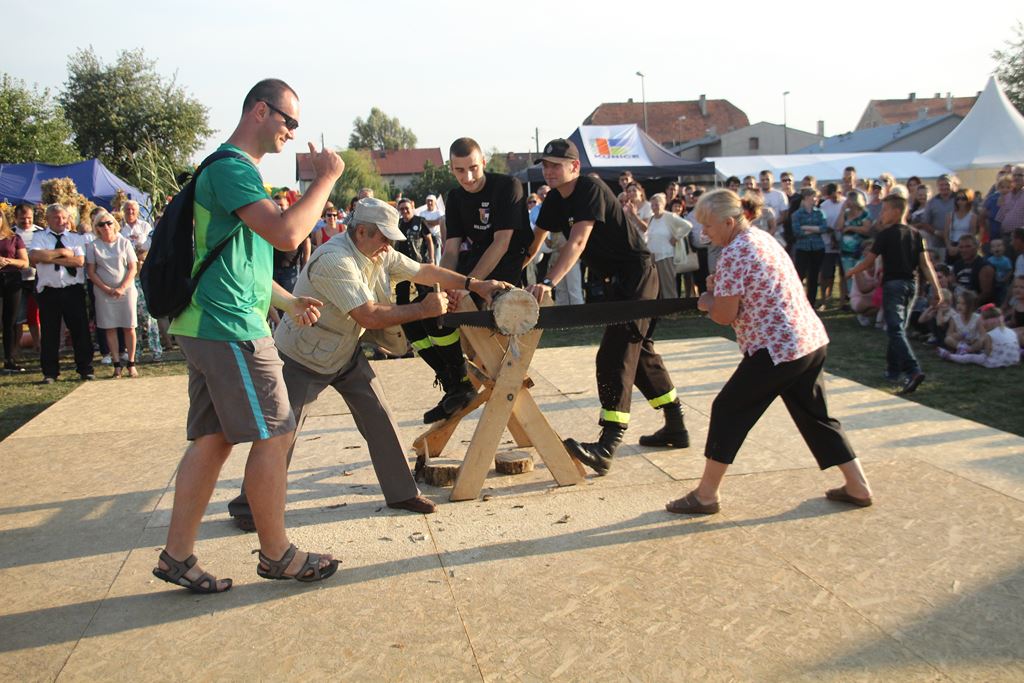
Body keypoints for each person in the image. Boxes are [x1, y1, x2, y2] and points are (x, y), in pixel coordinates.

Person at [152, 78, 344, 594]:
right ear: (261, 111)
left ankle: (177, 555)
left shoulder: (234, 172)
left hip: (206, 324)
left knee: (212, 440)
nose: (292, 131)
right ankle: (278, 553)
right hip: (230, 328)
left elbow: (243, 263)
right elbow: (287, 234)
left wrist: (286, 300)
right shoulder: (234, 169)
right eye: (289, 120)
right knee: (276, 431)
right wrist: (323, 180)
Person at [228, 199, 513, 529]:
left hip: (344, 351)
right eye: (383, 238)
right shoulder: (335, 259)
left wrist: (474, 284)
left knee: (380, 417)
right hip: (302, 356)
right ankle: (249, 507)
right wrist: (424, 309)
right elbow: (368, 315)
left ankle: (401, 492)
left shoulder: (376, 248)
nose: (389, 246)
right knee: (281, 435)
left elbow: (422, 271)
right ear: (360, 231)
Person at [663, 189, 873, 515]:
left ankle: (706, 495)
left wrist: (707, 302)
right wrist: (719, 291)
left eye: (709, 226)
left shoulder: (733, 252)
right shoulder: (762, 238)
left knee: (728, 408)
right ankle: (857, 486)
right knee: (815, 414)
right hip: (809, 340)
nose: (704, 233)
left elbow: (723, 315)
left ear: (730, 222)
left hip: (777, 349)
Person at [526, 138, 685, 476]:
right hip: (617, 282)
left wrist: (549, 282)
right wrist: (509, 275)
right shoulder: (554, 200)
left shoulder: (591, 189)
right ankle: (676, 425)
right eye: (546, 165)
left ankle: (608, 444)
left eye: (556, 164)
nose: (549, 170)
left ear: (575, 167)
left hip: (638, 276)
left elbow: (578, 241)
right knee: (640, 354)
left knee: (615, 353)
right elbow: (534, 244)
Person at [403, 137, 533, 424]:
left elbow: (501, 244)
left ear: (483, 161)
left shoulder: (507, 186)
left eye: (473, 168)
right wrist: (445, 287)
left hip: (503, 272)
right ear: (452, 169)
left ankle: (458, 384)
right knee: (418, 312)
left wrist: (467, 287)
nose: (468, 177)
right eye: (460, 170)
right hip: (472, 271)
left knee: (444, 311)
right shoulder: (455, 197)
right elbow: (451, 250)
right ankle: (455, 383)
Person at [846, 194, 945, 395]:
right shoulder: (916, 234)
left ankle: (913, 370)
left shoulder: (886, 235)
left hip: (893, 285)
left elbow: (869, 262)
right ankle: (893, 371)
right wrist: (937, 289)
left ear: (897, 211)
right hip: (911, 285)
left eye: (884, 210)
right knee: (898, 328)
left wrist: (852, 271)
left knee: (895, 330)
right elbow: (926, 265)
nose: (881, 214)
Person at [28, 203, 94, 383]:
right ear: (48, 219)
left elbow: (79, 261)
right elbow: (34, 257)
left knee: (80, 330)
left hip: (72, 290)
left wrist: (50, 257)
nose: (61, 221)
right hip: (49, 291)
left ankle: (85, 368)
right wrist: (63, 252)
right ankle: (50, 372)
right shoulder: (39, 237)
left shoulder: (75, 238)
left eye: (64, 217)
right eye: (56, 217)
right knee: (50, 333)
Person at [85, 210, 139, 378]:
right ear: (97, 228)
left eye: (109, 223)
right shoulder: (93, 246)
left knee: (129, 326)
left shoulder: (124, 243)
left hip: (126, 290)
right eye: (101, 224)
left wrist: (122, 287)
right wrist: (107, 289)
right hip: (103, 292)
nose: (106, 226)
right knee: (109, 327)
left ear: (114, 224)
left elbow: (133, 267)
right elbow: (91, 272)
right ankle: (116, 364)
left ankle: (131, 363)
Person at [938, 304, 1019, 368]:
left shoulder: (989, 335)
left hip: (996, 362)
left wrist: (977, 350)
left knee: (971, 357)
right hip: (1014, 359)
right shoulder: (1010, 331)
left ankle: (950, 356)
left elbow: (987, 352)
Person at [645, 192, 692, 298]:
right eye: (652, 205)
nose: (654, 207)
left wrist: (676, 237)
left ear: (663, 205)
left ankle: (672, 311)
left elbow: (688, 226)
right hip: (654, 257)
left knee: (668, 284)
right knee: (657, 286)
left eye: (657, 204)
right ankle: (662, 309)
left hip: (666, 255)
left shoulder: (669, 216)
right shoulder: (652, 219)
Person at [0, 211, 29, 373]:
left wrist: (8, 261)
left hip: (12, 279)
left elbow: (25, 262)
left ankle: (9, 359)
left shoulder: (14, 238)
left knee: (10, 321)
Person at [12, 204, 42, 359]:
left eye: (29, 218)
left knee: (35, 315)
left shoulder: (40, 232)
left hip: (37, 279)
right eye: (22, 219)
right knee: (18, 316)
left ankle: (38, 345)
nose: (26, 221)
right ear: (15, 218)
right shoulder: (11, 234)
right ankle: (16, 347)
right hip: (18, 280)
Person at [790, 188, 828, 307]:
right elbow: (797, 232)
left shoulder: (820, 213)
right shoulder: (797, 214)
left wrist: (806, 227)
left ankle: (811, 302)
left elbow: (823, 228)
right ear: (806, 198)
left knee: (814, 275)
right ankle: (797, 300)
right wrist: (814, 229)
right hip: (803, 248)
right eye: (814, 197)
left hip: (817, 248)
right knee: (800, 275)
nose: (816, 199)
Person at [394, 198, 435, 305]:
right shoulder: (397, 223)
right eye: (401, 209)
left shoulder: (420, 221)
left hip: (418, 263)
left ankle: (425, 318)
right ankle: (404, 319)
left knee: (423, 292)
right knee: (401, 295)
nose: (404, 211)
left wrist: (431, 259)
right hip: (401, 264)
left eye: (406, 208)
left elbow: (429, 240)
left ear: (412, 207)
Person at [948, 235, 996, 305]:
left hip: (978, 307)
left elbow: (986, 294)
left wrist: (968, 307)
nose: (964, 250)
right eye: (961, 247)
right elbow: (953, 285)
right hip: (959, 303)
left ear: (976, 247)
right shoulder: (957, 265)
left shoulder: (985, 267)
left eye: (968, 246)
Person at [921, 174, 958, 261]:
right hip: (937, 242)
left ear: (952, 185)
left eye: (947, 184)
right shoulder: (932, 202)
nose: (944, 187)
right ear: (938, 186)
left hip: (955, 242)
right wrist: (937, 232)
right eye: (942, 185)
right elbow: (925, 223)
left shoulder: (959, 199)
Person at [944, 189, 978, 254]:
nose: (960, 201)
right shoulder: (950, 215)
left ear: (968, 199)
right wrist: (949, 247)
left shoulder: (973, 217)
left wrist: (959, 248)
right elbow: (946, 234)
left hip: (966, 246)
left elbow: (972, 234)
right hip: (952, 244)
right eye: (958, 199)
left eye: (963, 199)